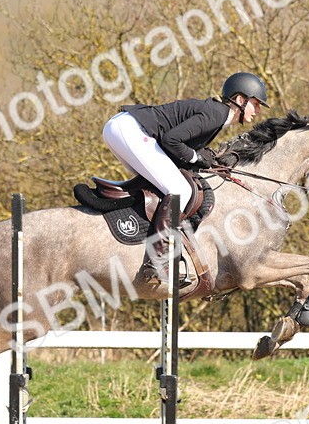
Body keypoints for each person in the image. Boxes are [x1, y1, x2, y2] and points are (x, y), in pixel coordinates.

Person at [102, 72, 270, 285]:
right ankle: (158, 260)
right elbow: (172, 140)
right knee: (181, 190)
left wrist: (197, 156)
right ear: (240, 100)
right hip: (130, 130)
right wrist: (196, 157)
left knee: (163, 185)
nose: (259, 110)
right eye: (256, 103)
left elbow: (175, 144)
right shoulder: (217, 114)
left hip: (123, 128)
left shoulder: (217, 115)